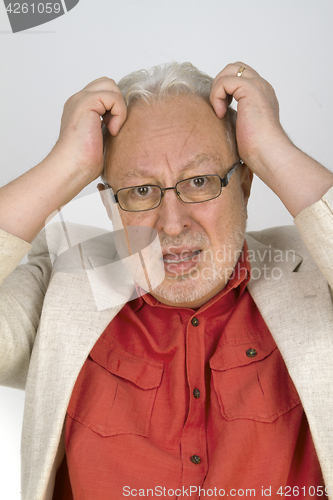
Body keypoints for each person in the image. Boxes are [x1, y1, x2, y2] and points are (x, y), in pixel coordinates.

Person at [1, 61, 333, 500]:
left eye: (199, 181)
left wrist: (273, 149)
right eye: (140, 190)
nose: (172, 224)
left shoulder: (313, 266)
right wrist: (64, 167)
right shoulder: (66, 278)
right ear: (109, 206)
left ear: (247, 184)